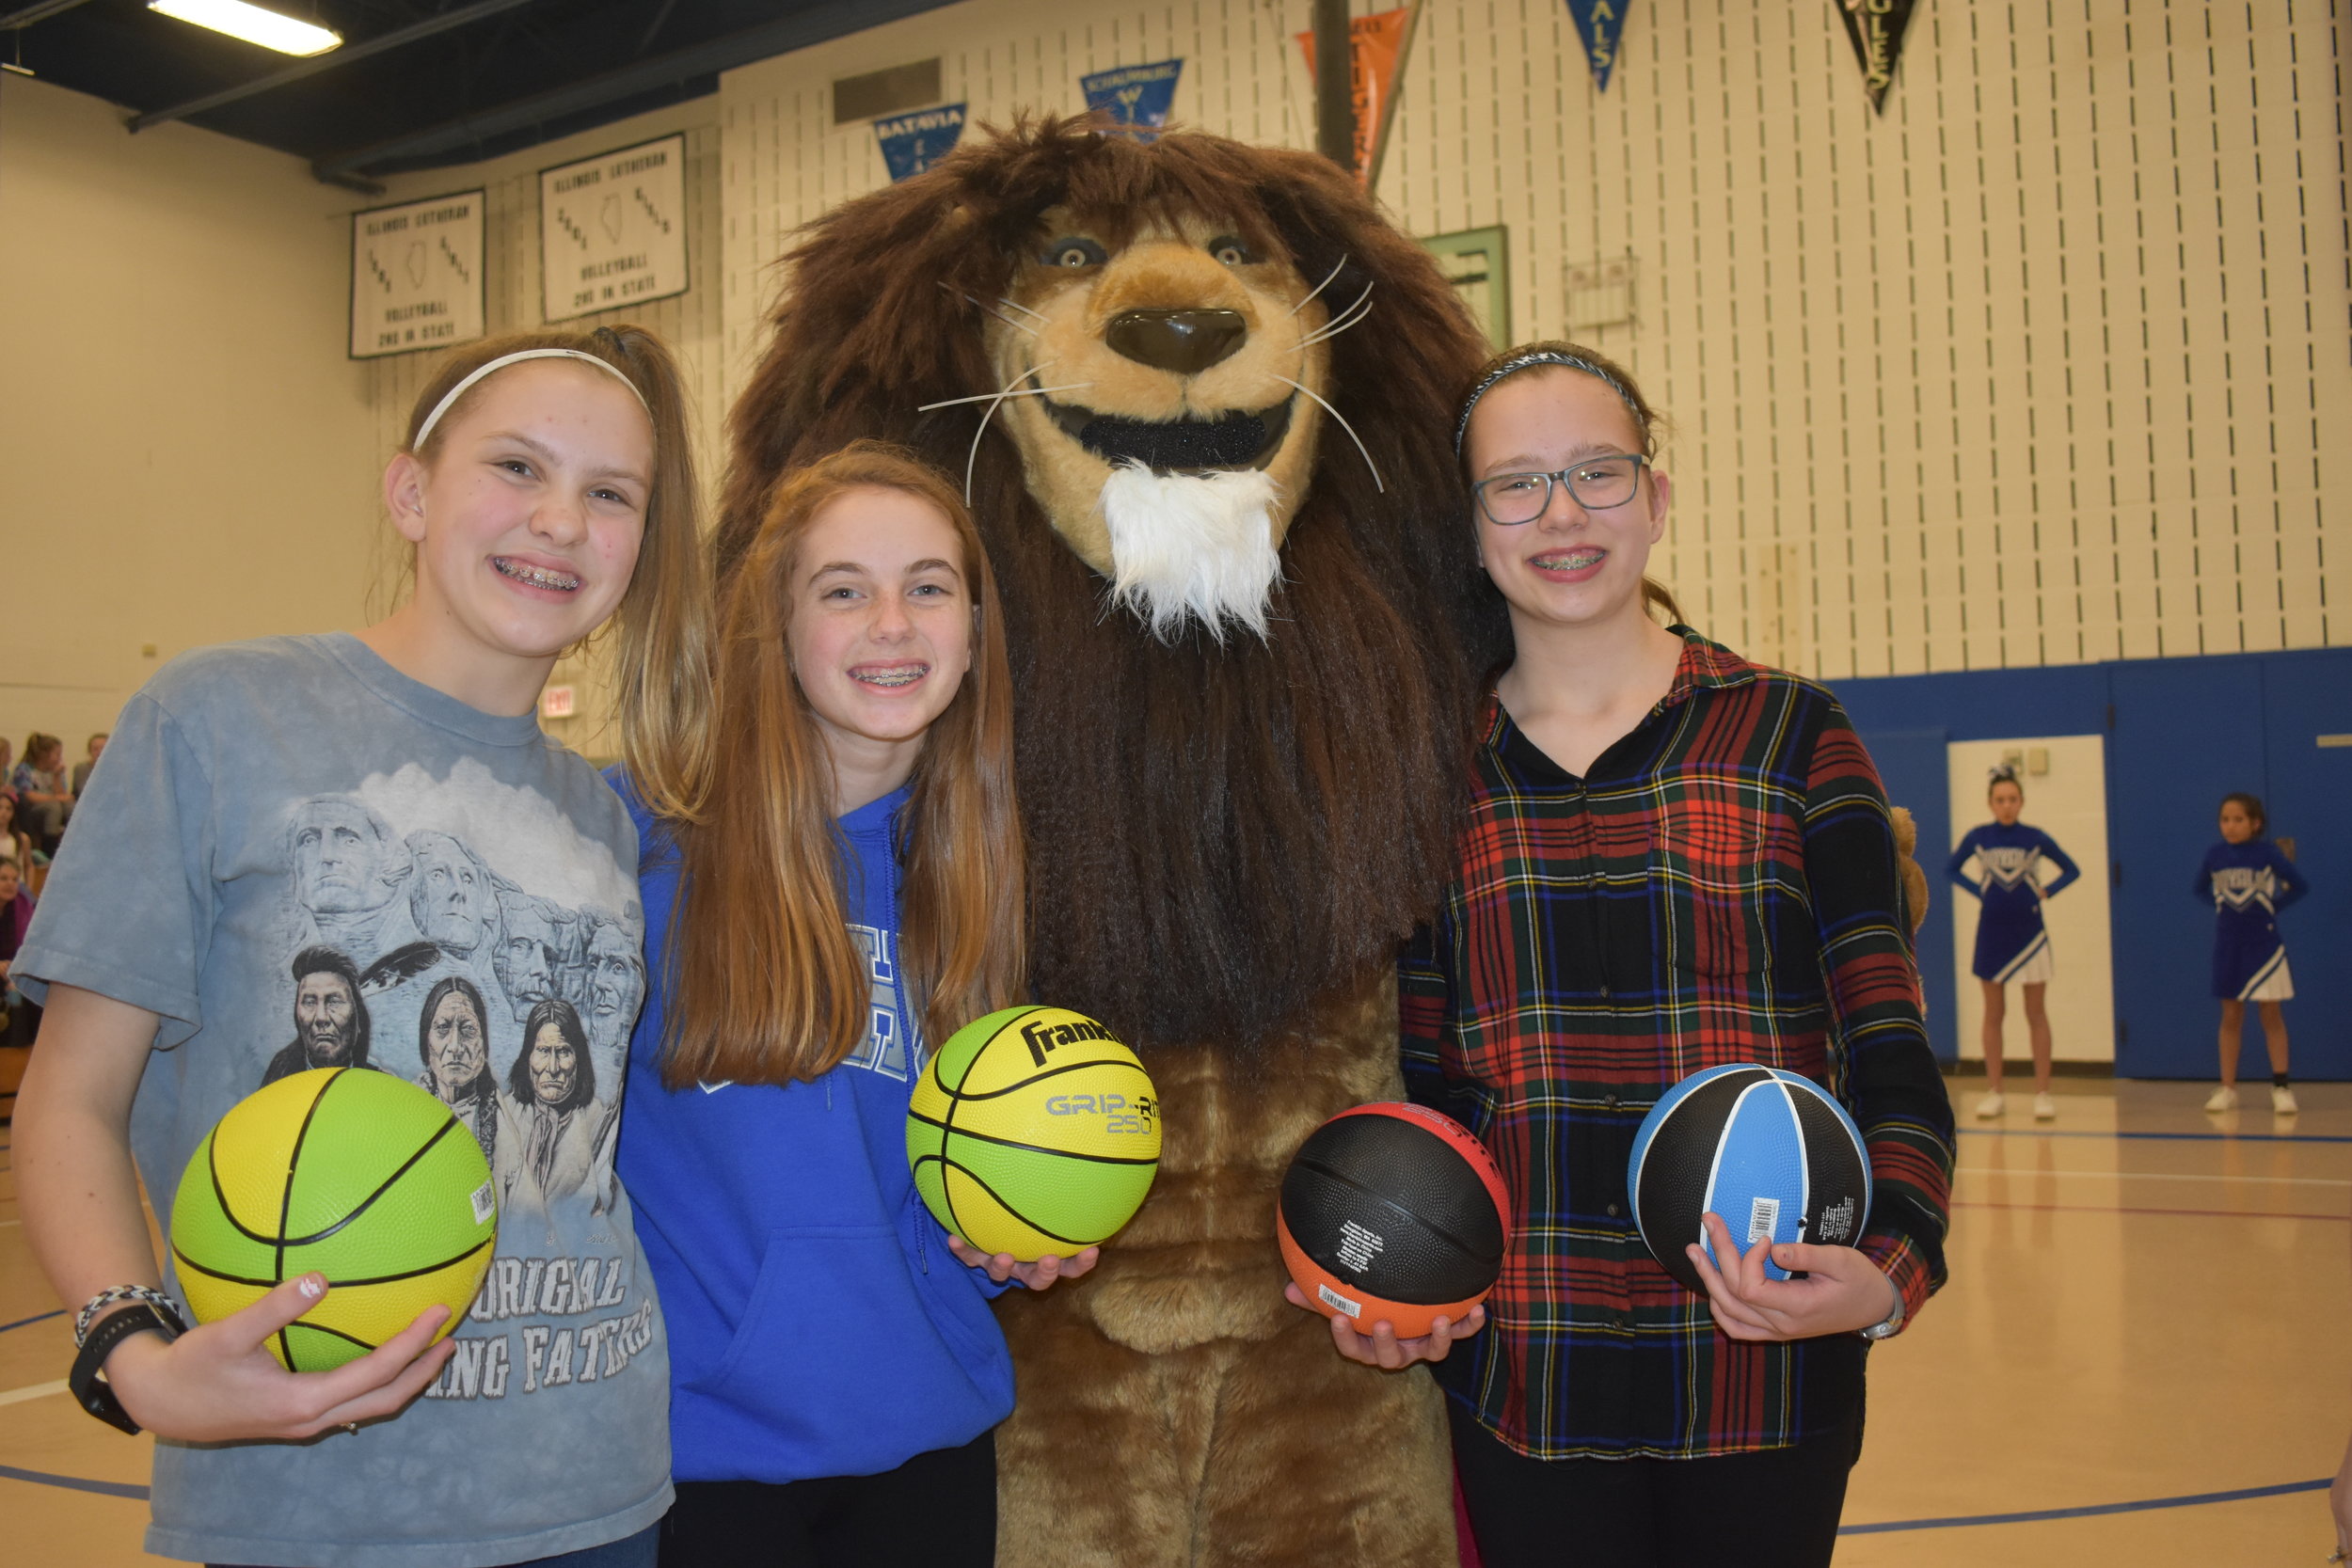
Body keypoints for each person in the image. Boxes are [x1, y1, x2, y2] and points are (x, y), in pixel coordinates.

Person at [11, 323, 712, 1568]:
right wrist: (130, 1346)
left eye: (611, 494)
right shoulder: (215, 718)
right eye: (516, 466)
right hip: (314, 1494)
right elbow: (71, 1093)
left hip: (597, 1478)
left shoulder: (604, 811)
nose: (560, 519)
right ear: (410, 492)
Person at [1375, 343, 1955, 1568]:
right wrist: (1399, 1277)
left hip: (1765, 1372)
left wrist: (1891, 1263)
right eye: (1517, 484)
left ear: (1657, 497)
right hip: (1525, 1375)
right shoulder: (1427, 776)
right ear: (1471, 528)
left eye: (1597, 471)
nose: (1562, 512)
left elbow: (1887, 1040)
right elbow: (1420, 1088)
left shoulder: (1793, 733)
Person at [615, 441, 1086, 1568]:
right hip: (695, 1462)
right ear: (777, 627)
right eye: (842, 591)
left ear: (973, 631)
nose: (892, 624)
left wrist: (1011, 1232)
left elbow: (943, 1175)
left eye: (928, 586)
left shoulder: (988, 873)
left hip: (928, 1451)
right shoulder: (640, 836)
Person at [1947, 765, 2080, 1120]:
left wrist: (2047, 891)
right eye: (2000, 800)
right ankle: (1995, 1091)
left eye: (2012, 799)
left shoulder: (2035, 837)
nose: (2006, 805)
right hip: (1991, 932)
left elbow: (2072, 869)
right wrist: (1980, 891)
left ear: (2021, 801)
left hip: (2031, 935)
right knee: (1994, 1014)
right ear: (1990, 803)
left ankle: (2043, 1093)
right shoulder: (1979, 836)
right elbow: (1951, 868)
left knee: (2036, 1013)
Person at [2196, 791, 2307, 1115]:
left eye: (2238, 820)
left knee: (2271, 1015)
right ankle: (2227, 1088)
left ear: (2255, 823)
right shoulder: (2215, 854)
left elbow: (2300, 885)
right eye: (2225, 820)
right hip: (2228, 946)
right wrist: (2218, 905)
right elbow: (2198, 888)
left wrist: (2274, 907)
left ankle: (2281, 1087)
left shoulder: (2267, 853)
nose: (2230, 826)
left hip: (2264, 947)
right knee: (2230, 1016)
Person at [496, 996, 612, 1217]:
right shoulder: (506, 1115)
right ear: (528, 1056)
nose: (553, 1068)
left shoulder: (596, 1119)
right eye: (543, 1051)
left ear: (579, 1059)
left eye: (563, 1052)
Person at [261, 945, 378, 1084]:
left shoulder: (380, 1086)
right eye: (309, 1003)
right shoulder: (277, 1084)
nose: (321, 1017)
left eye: (334, 1002)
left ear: (358, 1015)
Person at [416, 973, 501, 1163]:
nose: (455, 1046)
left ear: (484, 1043)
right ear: (425, 1041)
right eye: (442, 1027)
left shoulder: (507, 1119)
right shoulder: (407, 1112)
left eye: (468, 1029)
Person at [11, 731, 73, 851]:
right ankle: (49, 849)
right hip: (32, 810)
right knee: (53, 807)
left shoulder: (56, 771)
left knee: (69, 806)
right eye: (57, 754)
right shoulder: (25, 769)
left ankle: (72, 840)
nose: (59, 759)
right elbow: (29, 796)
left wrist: (56, 777)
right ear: (44, 755)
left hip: (53, 808)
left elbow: (63, 796)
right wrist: (57, 798)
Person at [1, 853, 35, 1047]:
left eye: (15, 879)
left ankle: (23, 1047)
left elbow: (30, 947)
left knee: (30, 983)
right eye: (3, 878)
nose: (10, 884)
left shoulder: (23, 906)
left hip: (13, 968)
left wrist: (16, 968)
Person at [72, 731, 107, 797]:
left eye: (103, 748)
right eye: (95, 749)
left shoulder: (117, 770)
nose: (100, 752)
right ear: (89, 751)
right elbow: (77, 793)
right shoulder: (80, 770)